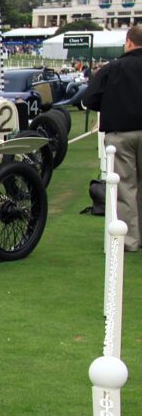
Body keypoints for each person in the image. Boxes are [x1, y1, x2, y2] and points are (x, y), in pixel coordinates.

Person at [82, 25, 142, 251]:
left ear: (128, 42)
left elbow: (90, 100)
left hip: (120, 134)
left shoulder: (112, 69)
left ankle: (129, 239)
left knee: (125, 187)